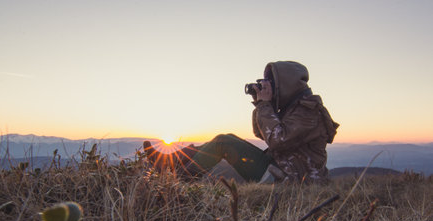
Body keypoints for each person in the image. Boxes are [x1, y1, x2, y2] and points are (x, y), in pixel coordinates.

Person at [143, 61, 339, 183]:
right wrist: (260, 103)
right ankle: (169, 161)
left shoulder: (308, 111)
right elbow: (260, 133)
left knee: (223, 142)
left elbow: (277, 140)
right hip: (280, 168)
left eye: (271, 84)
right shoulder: (294, 107)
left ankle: (178, 179)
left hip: (292, 179)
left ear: (285, 85)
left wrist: (264, 104)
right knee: (224, 139)